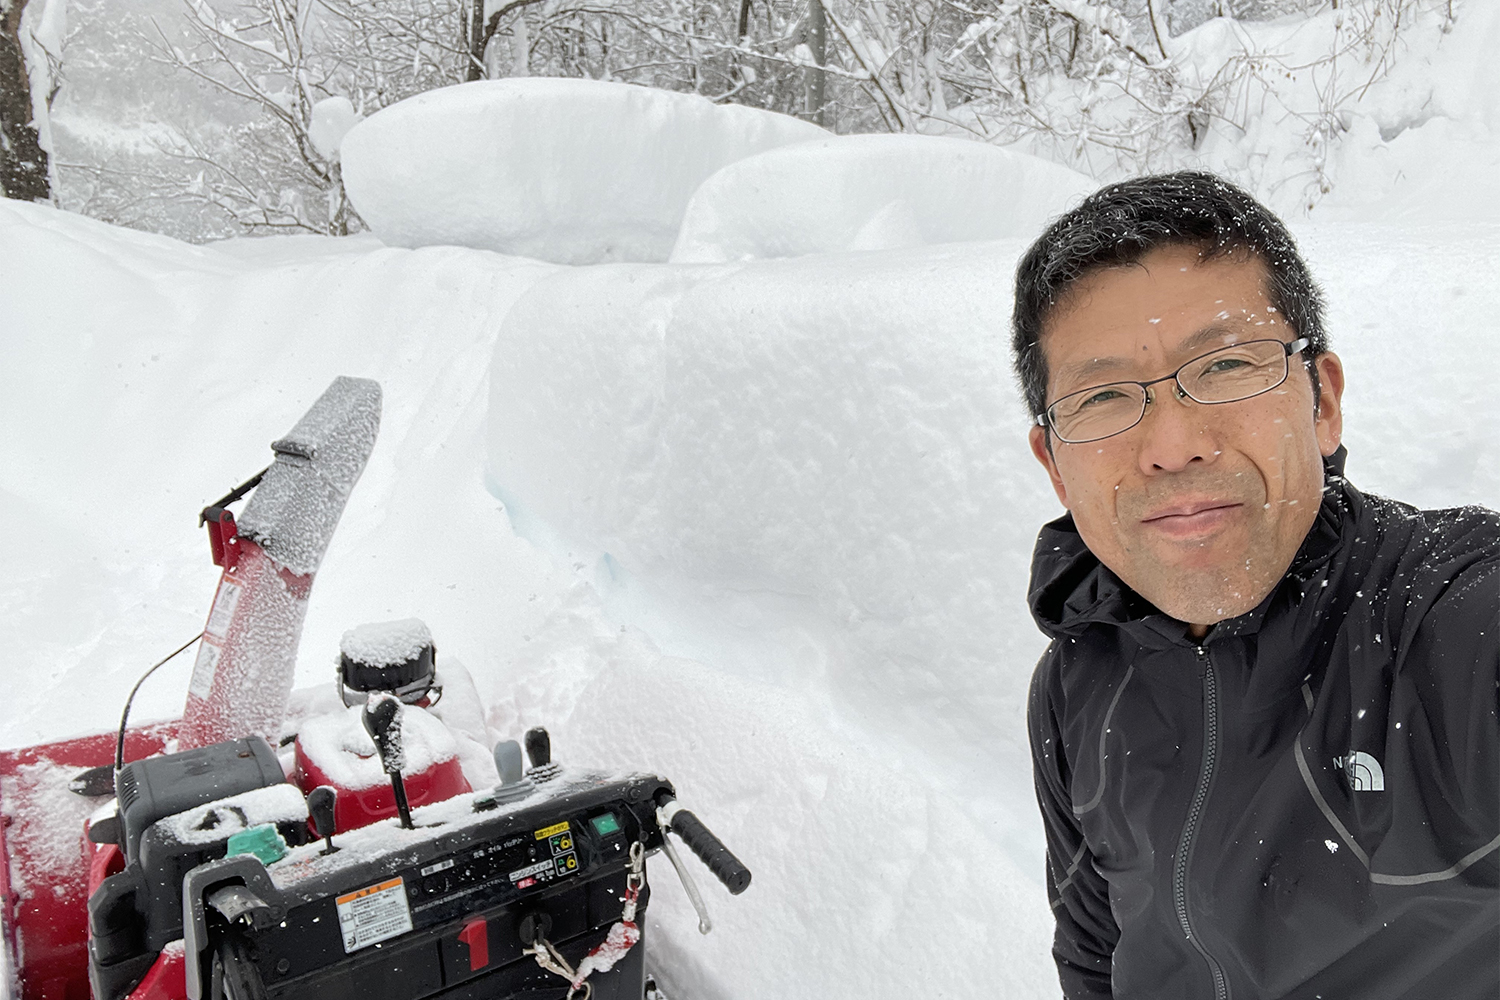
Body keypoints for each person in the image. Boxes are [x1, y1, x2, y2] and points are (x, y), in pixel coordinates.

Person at [1013, 171, 1499, 999]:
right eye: (1100, 397)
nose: (1173, 444)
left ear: (1323, 402)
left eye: (1227, 365)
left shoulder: (1450, 626)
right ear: (1055, 465)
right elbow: (1096, 954)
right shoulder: (1075, 685)